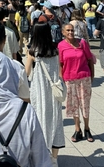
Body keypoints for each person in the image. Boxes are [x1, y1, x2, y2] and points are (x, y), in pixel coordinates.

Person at [25, 23, 65, 166]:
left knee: (39, 122)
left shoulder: (32, 52)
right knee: (55, 121)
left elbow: (26, 73)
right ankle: (54, 159)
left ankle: (40, 156)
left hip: (39, 91)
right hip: (54, 92)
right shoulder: (55, 51)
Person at [59, 23, 94, 143]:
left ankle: (87, 128)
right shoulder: (61, 46)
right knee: (73, 105)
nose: (71, 32)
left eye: (72, 30)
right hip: (69, 79)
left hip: (84, 77)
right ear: (63, 32)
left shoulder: (82, 43)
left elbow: (89, 60)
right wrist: (61, 79)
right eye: (68, 30)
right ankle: (77, 129)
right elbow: (60, 64)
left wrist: (92, 76)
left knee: (85, 104)